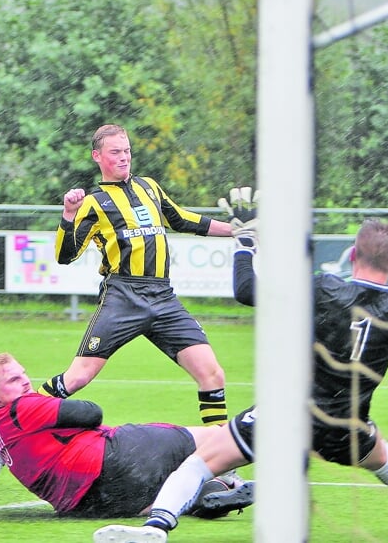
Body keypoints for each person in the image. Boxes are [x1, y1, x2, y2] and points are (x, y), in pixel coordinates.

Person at [94, 213, 388, 542]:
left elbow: (246, 291)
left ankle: (156, 528)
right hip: (345, 426)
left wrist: (243, 243)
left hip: (289, 414)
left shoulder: (322, 286)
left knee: (201, 462)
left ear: (350, 253)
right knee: (386, 465)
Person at [34, 124, 237, 428]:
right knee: (78, 378)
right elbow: (66, 255)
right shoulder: (93, 202)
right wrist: (67, 215)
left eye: (127, 150)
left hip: (163, 298)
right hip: (123, 297)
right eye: (115, 152)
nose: (124, 157)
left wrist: (237, 230)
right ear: (97, 156)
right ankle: (16, 424)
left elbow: (183, 219)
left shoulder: (149, 187)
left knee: (212, 374)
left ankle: (224, 466)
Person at [0, 352, 254, 518]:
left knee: (159, 501)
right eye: (13, 380)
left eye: (23, 375)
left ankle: (206, 495)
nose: (25, 382)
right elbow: (90, 413)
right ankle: (235, 470)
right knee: (209, 438)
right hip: (113, 460)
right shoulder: (24, 404)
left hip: (86, 506)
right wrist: (47, 401)